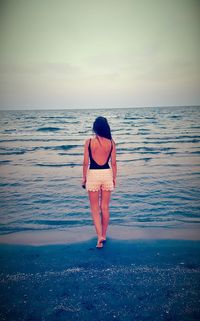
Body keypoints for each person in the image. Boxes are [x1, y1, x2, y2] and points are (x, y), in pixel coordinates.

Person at [82, 116, 117, 248]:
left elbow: (86, 162)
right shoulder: (111, 143)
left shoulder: (89, 142)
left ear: (95, 128)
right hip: (107, 174)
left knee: (95, 209)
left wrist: (84, 178)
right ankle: (104, 234)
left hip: (93, 175)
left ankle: (99, 237)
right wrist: (114, 178)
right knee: (105, 208)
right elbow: (113, 163)